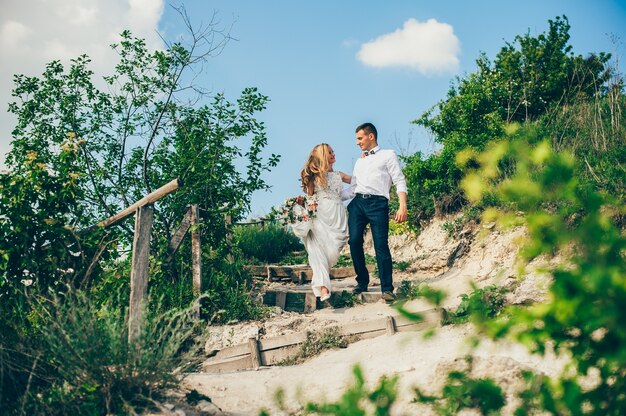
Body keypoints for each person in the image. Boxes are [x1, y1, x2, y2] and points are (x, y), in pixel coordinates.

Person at [347, 122, 408, 302]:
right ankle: (362, 281)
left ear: (370, 136)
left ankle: (387, 289)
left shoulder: (388, 155)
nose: (357, 142)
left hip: (378, 204)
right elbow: (352, 188)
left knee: (381, 246)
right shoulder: (360, 160)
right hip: (357, 203)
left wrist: (402, 206)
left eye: (360, 138)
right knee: (354, 241)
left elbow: (399, 180)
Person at [290, 143, 352, 302]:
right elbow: (310, 198)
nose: (333, 154)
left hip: (337, 216)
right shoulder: (314, 177)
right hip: (320, 215)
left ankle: (323, 283)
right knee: (317, 251)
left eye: (333, 151)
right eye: (330, 152)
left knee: (333, 251)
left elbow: (357, 183)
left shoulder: (340, 175)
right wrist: (304, 215)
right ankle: (324, 287)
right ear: (323, 156)